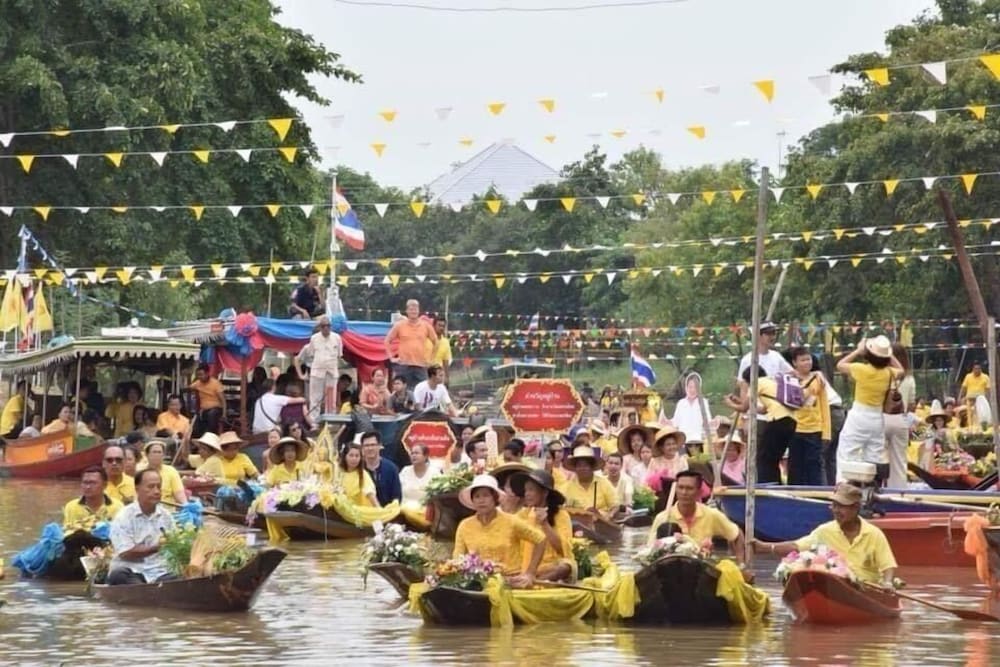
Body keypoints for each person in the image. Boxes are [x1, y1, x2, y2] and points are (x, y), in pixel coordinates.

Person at [752, 483, 898, 586]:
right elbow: (796, 546)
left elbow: (888, 566)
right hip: (836, 583)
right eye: (834, 506)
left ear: (855, 508)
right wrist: (764, 547)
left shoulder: (874, 534)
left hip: (866, 587)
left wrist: (887, 583)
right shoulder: (824, 531)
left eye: (841, 506)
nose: (836, 510)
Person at [453, 474, 547, 588]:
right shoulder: (465, 525)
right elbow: (458, 559)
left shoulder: (511, 521)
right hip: (479, 584)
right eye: (477, 496)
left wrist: (530, 573)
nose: (481, 500)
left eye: (486, 495)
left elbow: (541, 539)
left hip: (511, 582)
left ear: (495, 498)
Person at [834, 336, 903, 483]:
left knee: (847, 453)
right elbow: (901, 370)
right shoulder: (889, 372)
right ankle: (872, 489)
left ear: (869, 355)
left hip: (859, 415)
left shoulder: (861, 369)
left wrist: (858, 351)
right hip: (877, 417)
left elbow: (840, 364)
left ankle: (843, 488)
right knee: (874, 455)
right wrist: (888, 355)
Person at [647, 470, 745, 562]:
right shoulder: (663, 518)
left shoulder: (712, 514)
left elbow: (737, 534)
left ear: (699, 492)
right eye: (680, 487)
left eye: (689, 488)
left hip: (701, 567)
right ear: (676, 489)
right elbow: (650, 551)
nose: (684, 492)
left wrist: (740, 563)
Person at [724, 367, 796, 485]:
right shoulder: (771, 382)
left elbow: (744, 408)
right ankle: (776, 484)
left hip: (777, 421)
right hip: (790, 422)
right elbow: (762, 410)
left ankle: (768, 485)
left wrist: (729, 404)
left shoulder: (757, 383)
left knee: (763, 459)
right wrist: (737, 402)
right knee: (772, 458)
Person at [107, 469, 178, 585]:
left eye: (158, 487)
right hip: (132, 571)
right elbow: (126, 552)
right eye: (150, 487)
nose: (156, 491)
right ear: (137, 489)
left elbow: (175, 547)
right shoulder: (124, 516)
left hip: (160, 572)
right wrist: (156, 547)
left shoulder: (166, 516)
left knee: (182, 575)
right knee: (118, 575)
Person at [510, 469, 574, 582]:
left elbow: (563, 549)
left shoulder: (561, 515)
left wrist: (545, 524)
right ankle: (527, 578)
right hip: (524, 566)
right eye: (525, 490)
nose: (527, 494)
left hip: (550, 566)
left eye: (531, 490)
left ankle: (532, 581)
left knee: (565, 568)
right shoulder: (522, 514)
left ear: (544, 493)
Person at [785, 347, 830, 486]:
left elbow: (824, 405)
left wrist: (826, 432)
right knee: (795, 465)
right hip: (795, 428)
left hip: (814, 429)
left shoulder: (818, 379)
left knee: (814, 465)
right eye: (803, 360)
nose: (807, 363)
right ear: (794, 363)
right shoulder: (788, 379)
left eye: (808, 359)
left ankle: (817, 493)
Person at [294, 315, 343, 421]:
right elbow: (309, 355)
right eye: (323, 326)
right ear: (320, 327)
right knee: (315, 399)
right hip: (316, 373)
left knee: (331, 399)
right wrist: (302, 375)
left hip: (331, 372)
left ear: (331, 327)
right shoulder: (314, 339)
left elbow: (339, 355)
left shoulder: (337, 338)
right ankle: (314, 423)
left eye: (328, 326)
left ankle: (330, 421)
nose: (326, 328)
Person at [384, 299, 437, 388]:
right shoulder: (399, 325)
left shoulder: (426, 326)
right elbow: (387, 341)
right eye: (411, 309)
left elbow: (436, 342)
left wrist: (431, 359)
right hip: (404, 365)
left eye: (416, 308)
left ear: (419, 310)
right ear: (407, 311)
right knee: (402, 391)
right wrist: (391, 358)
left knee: (423, 390)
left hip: (421, 365)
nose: (414, 311)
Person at [558, 445, 617, 519]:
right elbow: (558, 509)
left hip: (601, 527)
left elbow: (615, 506)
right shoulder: (565, 487)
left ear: (592, 467)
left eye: (586, 465)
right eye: (579, 465)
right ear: (575, 468)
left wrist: (606, 516)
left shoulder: (604, 483)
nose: (582, 468)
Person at [885, 343, 914, 488]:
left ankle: (879, 489)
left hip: (882, 419)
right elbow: (911, 406)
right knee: (899, 461)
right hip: (901, 420)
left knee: (879, 458)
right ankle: (899, 492)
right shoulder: (909, 379)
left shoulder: (885, 374)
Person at [138, 440, 187, 505]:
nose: (157, 455)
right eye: (154, 452)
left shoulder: (171, 471)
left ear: (163, 455)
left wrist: (185, 504)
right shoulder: (139, 470)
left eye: (159, 452)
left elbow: (179, 493)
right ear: (147, 455)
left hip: (167, 508)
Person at [360, 431, 402, 506]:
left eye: (373, 445)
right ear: (362, 448)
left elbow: (397, 497)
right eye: (366, 445)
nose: (370, 448)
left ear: (380, 446)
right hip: (362, 513)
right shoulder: (358, 468)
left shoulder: (391, 468)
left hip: (386, 513)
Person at [672, 373, 713, 444]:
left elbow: (708, 422)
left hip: (698, 440)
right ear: (686, 387)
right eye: (690, 387)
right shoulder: (681, 403)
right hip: (683, 440)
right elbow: (675, 424)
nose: (692, 390)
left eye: (695, 387)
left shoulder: (703, 402)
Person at [338, 441, 379, 506]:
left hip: (358, 510)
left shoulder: (363, 474)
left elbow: (370, 493)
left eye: (357, 456)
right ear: (345, 456)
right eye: (351, 455)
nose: (354, 459)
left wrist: (378, 509)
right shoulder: (338, 473)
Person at [190, 364, 227, 435]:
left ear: (207, 373)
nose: (199, 377)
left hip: (216, 409)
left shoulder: (216, 384)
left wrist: (224, 414)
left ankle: (211, 435)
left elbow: (223, 400)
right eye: (198, 375)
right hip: (203, 410)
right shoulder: (198, 383)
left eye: (201, 374)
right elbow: (189, 388)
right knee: (195, 426)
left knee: (211, 414)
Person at [429, 316, 453, 384]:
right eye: (439, 325)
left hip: (439, 374)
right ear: (433, 326)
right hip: (426, 372)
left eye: (443, 326)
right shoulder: (427, 340)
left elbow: (446, 361)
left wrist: (447, 377)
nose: (441, 328)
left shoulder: (445, 342)